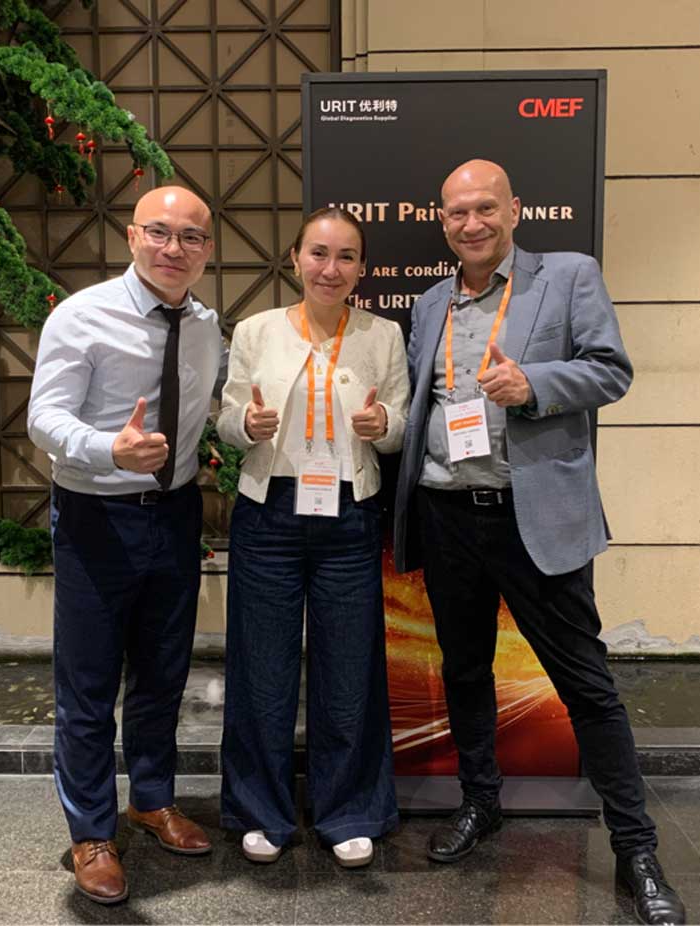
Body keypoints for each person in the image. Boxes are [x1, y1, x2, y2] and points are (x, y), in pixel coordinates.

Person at [392, 160, 687, 925]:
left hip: (534, 518)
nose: (472, 223)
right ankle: (481, 801)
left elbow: (611, 371)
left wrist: (534, 386)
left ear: (515, 209)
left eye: (485, 208)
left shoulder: (567, 276)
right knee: (465, 670)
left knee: (586, 685)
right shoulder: (430, 303)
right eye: (457, 212)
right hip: (447, 514)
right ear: (443, 221)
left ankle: (637, 849)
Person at [28, 186, 227, 905]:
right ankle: (91, 830)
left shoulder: (206, 327)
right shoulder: (81, 315)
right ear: (132, 236)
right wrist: (108, 448)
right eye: (160, 232)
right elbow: (44, 417)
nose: (175, 248)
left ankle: (151, 798)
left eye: (191, 237)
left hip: (174, 515)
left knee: (162, 673)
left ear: (207, 250)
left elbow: (210, 410)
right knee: (87, 686)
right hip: (96, 518)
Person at [216, 207, 408, 868]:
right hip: (270, 513)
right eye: (319, 253)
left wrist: (384, 426)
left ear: (362, 267)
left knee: (349, 669)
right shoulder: (256, 330)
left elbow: (401, 425)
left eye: (346, 256)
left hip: (350, 516)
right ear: (295, 258)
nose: (331, 268)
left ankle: (350, 809)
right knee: (261, 668)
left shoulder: (383, 334)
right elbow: (228, 418)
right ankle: (260, 811)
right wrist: (247, 425)